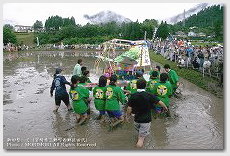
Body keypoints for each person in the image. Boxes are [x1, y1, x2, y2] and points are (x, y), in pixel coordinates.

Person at [126, 79, 168, 148]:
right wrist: (165, 108)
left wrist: (127, 117)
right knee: (141, 139)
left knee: (139, 135)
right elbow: (160, 102)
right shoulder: (149, 95)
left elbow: (129, 108)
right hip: (146, 121)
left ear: (136, 86)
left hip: (136, 120)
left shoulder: (133, 95)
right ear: (145, 86)